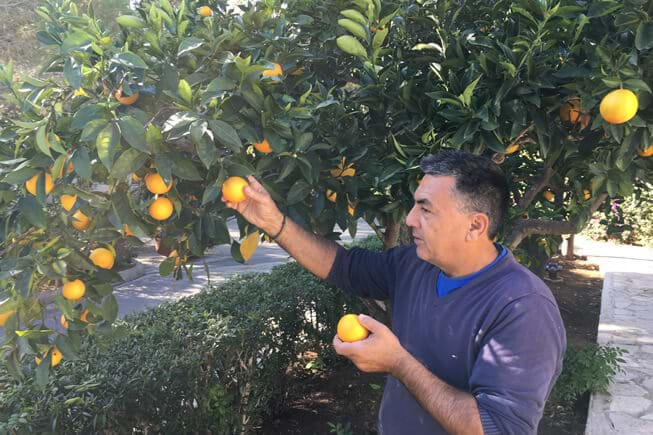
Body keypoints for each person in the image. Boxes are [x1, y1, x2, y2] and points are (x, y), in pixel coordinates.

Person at [222, 149, 566, 434]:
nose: (411, 218)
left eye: (426, 208)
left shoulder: (522, 307)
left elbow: (497, 428)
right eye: (415, 205)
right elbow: (342, 266)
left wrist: (398, 362)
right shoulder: (415, 265)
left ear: (475, 225)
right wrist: (275, 224)